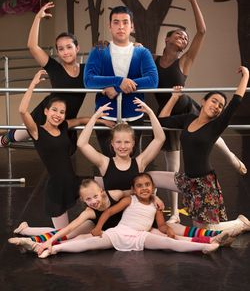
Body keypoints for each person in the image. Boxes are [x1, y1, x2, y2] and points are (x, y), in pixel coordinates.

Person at [154, 0, 247, 223]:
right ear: (167, 39)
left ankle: (231, 157)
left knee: (212, 134)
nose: (184, 39)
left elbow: (202, 31)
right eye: (179, 36)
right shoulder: (151, 59)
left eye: (185, 38)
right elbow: (132, 52)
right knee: (172, 163)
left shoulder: (184, 62)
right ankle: (174, 212)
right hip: (168, 109)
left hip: (185, 107)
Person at [13, 173, 231, 258]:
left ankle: (206, 242)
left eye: (148, 186)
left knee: (171, 241)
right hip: (115, 232)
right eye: (88, 200)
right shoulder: (117, 202)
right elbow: (101, 215)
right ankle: (45, 245)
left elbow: (162, 225)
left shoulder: (122, 194)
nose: (93, 201)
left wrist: (164, 224)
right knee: (76, 238)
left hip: (139, 235)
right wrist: (97, 228)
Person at [149, 66, 250, 229]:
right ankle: (147, 214)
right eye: (214, 101)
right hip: (186, 180)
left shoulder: (216, 126)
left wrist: (246, 75)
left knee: (205, 230)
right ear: (204, 101)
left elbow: (236, 101)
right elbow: (163, 120)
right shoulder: (189, 119)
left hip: (204, 185)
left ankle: (240, 224)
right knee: (149, 177)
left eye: (220, 105)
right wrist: (174, 98)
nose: (216, 106)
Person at [18, 69, 113, 229]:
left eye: (62, 112)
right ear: (46, 111)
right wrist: (33, 84)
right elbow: (22, 111)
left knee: (112, 181)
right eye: (54, 110)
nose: (58, 115)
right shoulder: (36, 131)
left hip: (74, 181)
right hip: (57, 188)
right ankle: (27, 230)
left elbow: (81, 120)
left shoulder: (63, 126)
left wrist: (102, 121)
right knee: (62, 234)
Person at [0, 1, 86, 153]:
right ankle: (4, 138)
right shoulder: (54, 67)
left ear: (77, 48)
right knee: (17, 136)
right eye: (61, 49)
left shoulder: (87, 70)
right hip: (45, 114)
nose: (65, 52)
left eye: (69, 47)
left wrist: (135, 47)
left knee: (68, 151)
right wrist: (38, 18)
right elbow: (33, 47)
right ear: (57, 52)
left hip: (66, 120)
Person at [84, 5, 159, 156]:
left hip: (135, 116)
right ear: (110, 26)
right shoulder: (99, 50)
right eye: (116, 22)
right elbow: (88, 80)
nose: (121, 26)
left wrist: (117, 88)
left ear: (132, 26)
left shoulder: (142, 51)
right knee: (108, 163)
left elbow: (152, 80)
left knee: (133, 165)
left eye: (125, 22)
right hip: (105, 118)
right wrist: (119, 81)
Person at [8, 178, 131, 253]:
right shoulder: (89, 212)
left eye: (95, 196)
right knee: (65, 234)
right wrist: (50, 241)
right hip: (94, 225)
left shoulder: (115, 195)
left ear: (101, 191)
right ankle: (30, 238)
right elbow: (69, 228)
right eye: (88, 199)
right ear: (83, 200)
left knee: (65, 235)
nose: (93, 201)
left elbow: (131, 194)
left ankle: (26, 230)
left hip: (109, 227)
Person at [77, 96, 165, 191]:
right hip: (112, 205)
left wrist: (150, 112)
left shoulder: (140, 163)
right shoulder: (104, 163)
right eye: (118, 142)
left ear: (133, 143)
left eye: (127, 142)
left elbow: (160, 139)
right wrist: (94, 117)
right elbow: (82, 144)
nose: (122, 147)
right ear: (112, 143)